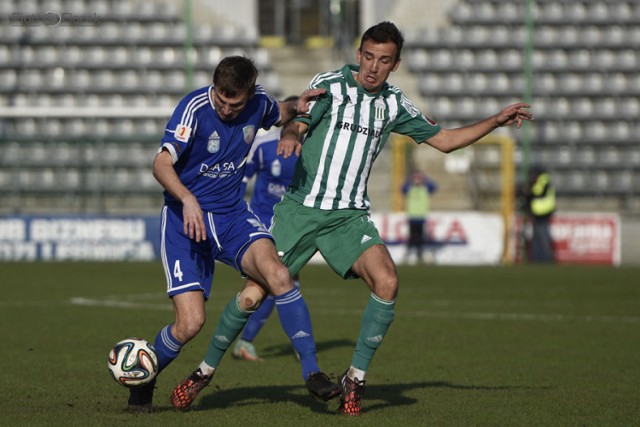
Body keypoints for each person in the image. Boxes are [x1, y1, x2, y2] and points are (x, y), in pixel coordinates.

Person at [177, 21, 533, 415]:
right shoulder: (330, 83)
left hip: (349, 217)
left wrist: (495, 122)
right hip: (300, 209)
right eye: (367, 56)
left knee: (388, 281)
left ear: (395, 65)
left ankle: (355, 380)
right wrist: (291, 135)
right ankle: (203, 372)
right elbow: (299, 117)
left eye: (383, 61)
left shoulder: (394, 104)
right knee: (252, 295)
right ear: (358, 52)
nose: (372, 67)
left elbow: (445, 141)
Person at [126, 56, 339, 413]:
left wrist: (295, 107)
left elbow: (281, 111)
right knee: (190, 323)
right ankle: (143, 380)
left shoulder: (259, 104)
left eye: (235, 103)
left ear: (250, 94)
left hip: (232, 216)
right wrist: (188, 198)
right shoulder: (193, 108)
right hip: (184, 220)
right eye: (221, 100)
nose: (226, 109)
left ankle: (312, 373)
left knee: (279, 275)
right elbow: (160, 163)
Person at [232, 96, 302, 362]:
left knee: (277, 285)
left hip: (291, 226)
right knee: (283, 283)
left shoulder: (309, 152)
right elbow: (242, 180)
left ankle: (244, 342)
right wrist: (236, 213)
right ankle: (297, 342)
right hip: (262, 223)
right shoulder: (262, 146)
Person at [401, 170, 437, 264]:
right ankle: (408, 254)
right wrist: (410, 179)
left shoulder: (425, 188)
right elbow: (402, 188)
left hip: (421, 217)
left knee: (420, 237)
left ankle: (419, 254)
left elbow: (434, 186)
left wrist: (424, 179)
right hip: (412, 216)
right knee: (412, 236)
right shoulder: (410, 188)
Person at [523, 165, 556, 263]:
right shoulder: (541, 182)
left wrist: (528, 191)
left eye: (533, 174)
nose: (531, 177)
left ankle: (547, 258)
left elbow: (538, 193)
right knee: (537, 237)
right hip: (537, 214)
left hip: (542, 214)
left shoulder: (543, 181)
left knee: (543, 236)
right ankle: (537, 259)